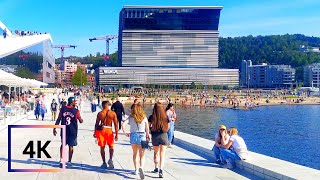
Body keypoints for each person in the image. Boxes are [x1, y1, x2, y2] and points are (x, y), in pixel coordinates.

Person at [53, 97, 84, 168]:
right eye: (74, 101)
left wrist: (54, 128)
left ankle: (61, 160)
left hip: (64, 130)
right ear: (71, 102)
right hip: (73, 131)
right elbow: (81, 121)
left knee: (63, 145)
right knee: (71, 146)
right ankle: (69, 161)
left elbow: (58, 119)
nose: (75, 102)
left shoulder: (63, 109)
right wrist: (80, 116)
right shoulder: (76, 111)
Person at [122, 104, 150, 179]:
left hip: (133, 136)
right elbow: (147, 128)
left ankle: (136, 169)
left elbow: (123, 124)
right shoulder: (144, 117)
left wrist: (125, 132)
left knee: (135, 153)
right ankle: (141, 167)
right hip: (142, 136)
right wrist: (147, 135)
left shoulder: (131, 117)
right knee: (142, 154)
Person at [94, 100, 118, 169]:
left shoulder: (100, 113)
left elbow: (96, 124)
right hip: (109, 130)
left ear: (102, 105)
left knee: (102, 147)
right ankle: (110, 159)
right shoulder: (113, 113)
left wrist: (95, 133)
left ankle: (104, 163)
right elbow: (116, 125)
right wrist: (116, 134)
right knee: (111, 146)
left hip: (102, 130)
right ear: (108, 105)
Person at [148, 102, 170, 178]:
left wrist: (150, 132)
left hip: (155, 136)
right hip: (164, 136)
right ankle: (161, 170)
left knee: (156, 153)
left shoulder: (151, 117)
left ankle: (156, 167)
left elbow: (148, 127)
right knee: (162, 154)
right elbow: (168, 127)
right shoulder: (165, 117)